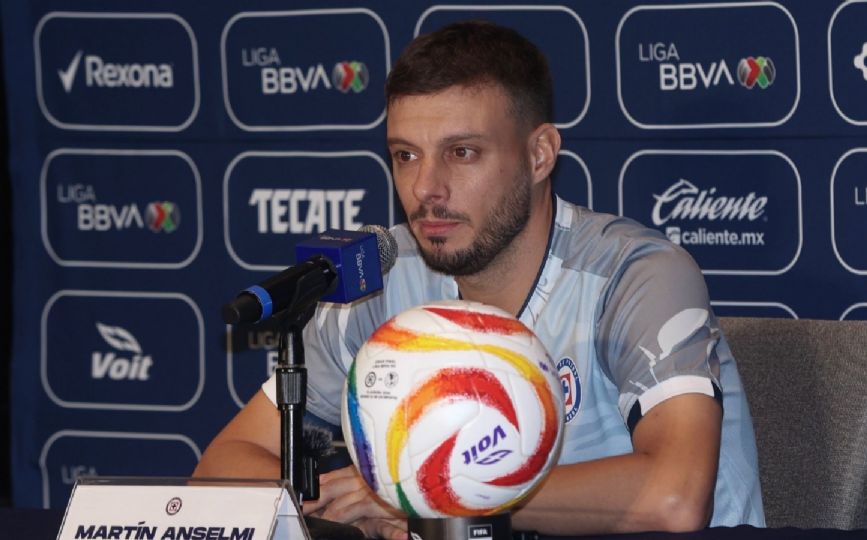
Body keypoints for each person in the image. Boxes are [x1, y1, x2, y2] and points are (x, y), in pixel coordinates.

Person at [195, 20, 765, 538]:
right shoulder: (383, 283)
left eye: (462, 153)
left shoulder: (633, 275)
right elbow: (225, 464)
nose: (425, 189)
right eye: (405, 155)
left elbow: (672, 498)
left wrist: (425, 498)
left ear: (540, 155)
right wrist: (354, 505)